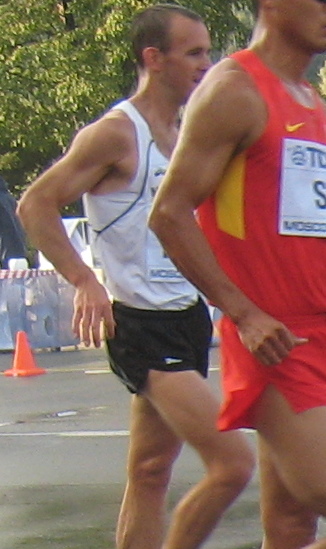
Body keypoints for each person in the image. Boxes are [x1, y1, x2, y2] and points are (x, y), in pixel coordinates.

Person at [17, 5, 255, 549]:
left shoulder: (186, 131)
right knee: (232, 462)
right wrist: (84, 279)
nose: (206, 63)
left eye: (208, 50)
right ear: (154, 58)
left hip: (188, 318)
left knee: (150, 472)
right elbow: (36, 204)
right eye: (193, 52)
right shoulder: (115, 134)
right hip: (139, 324)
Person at [149, 1, 326, 548]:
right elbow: (170, 213)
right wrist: (245, 313)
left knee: (292, 526)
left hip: (320, 328)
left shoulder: (312, 100)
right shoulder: (233, 90)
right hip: (278, 338)